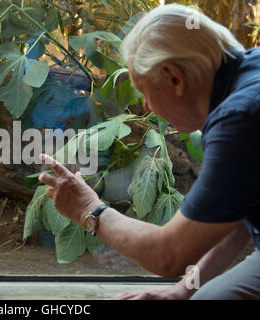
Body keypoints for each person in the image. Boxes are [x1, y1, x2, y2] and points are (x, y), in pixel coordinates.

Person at [38, 4, 260, 300]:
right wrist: (183, 290)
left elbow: (168, 255)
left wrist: (89, 209)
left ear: (174, 77)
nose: (146, 107)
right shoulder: (247, 73)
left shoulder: (239, 119)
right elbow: (236, 211)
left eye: (144, 91)